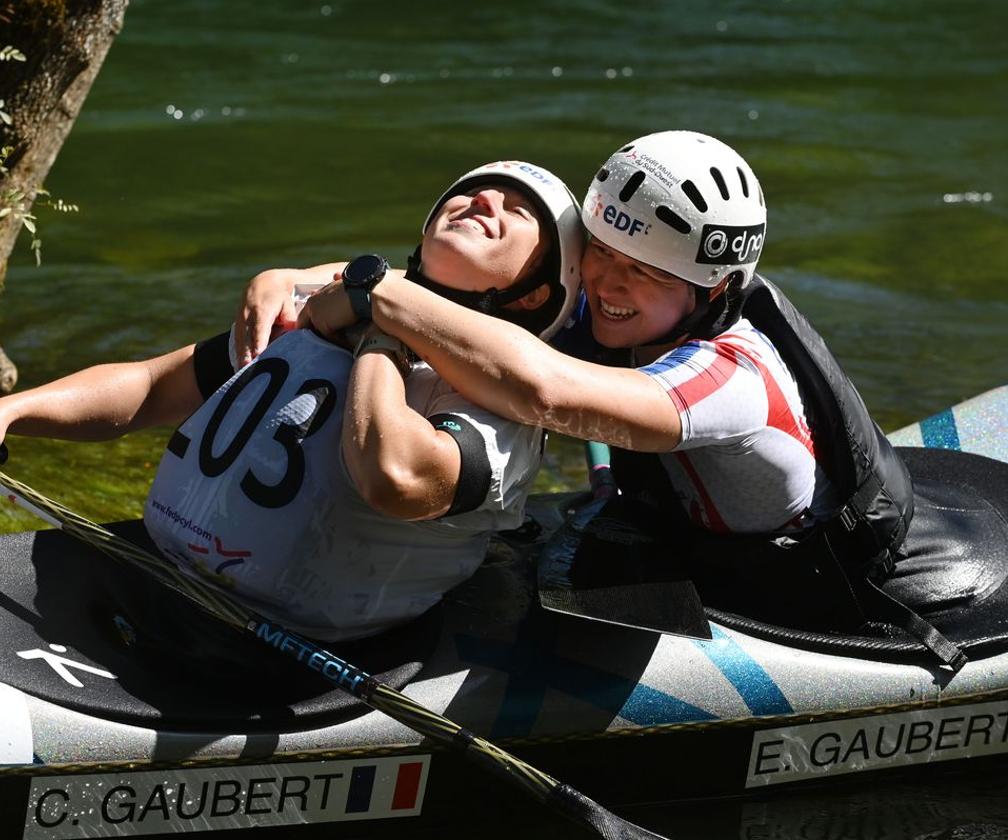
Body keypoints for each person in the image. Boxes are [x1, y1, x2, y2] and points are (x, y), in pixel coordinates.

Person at [244, 132, 961, 667]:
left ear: (712, 288)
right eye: (603, 257)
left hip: (795, 577)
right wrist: (305, 277)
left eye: (644, 273)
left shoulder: (732, 378)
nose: (610, 287)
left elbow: (543, 391)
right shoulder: (623, 304)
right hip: (674, 531)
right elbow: (454, 294)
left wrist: (374, 302)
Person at [0, 160, 584, 642]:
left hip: (297, 647)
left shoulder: (504, 396)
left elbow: (399, 478)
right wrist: (8, 413)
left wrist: (383, 339)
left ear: (532, 294)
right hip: (162, 576)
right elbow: (151, 388)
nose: (484, 202)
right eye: (471, 192)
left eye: (516, 209)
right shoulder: (321, 312)